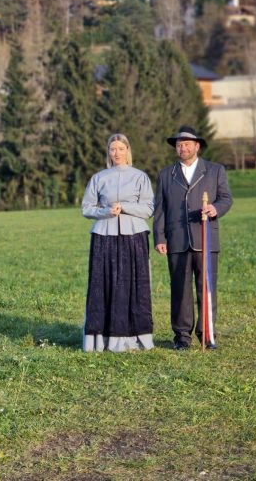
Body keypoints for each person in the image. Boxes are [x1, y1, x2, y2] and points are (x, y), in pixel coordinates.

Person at [153, 126, 233, 351]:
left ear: (197, 146)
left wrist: (215, 209)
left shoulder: (215, 170)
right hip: (176, 240)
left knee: (206, 288)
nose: (183, 147)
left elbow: (226, 198)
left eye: (187, 143)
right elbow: (160, 209)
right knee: (180, 290)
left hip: (205, 238)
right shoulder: (165, 175)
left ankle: (207, 335)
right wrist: (160, 237)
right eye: (179, 144)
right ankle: (182, 337)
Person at [81, 133, 155, 352]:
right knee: (103, 286)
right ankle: (101, 338)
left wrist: (124, 207)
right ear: (108, 152)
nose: (117, 153)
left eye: (121, 149)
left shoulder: (140, 177)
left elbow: (149, 208)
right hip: (104, 236)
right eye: (113, 149)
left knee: (136, 285)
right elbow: (86, 208)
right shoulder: (99, 178)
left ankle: (136, 337)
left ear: (128, 151)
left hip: (135, 236)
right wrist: (106, 211)